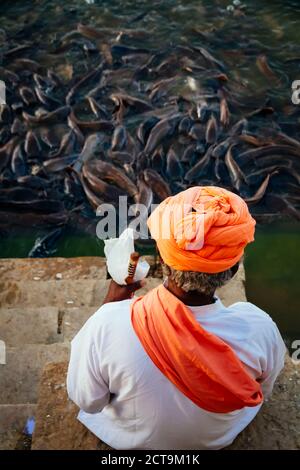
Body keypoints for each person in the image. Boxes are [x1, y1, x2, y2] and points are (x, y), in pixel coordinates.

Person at [67, 186, 286, 450]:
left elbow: (88, 401)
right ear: (233, 269)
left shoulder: (108, 325)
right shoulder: (259, 329)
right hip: (217, 438)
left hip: (133, 441)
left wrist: (109, 306)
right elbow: (265, 390)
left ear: (163, 259)